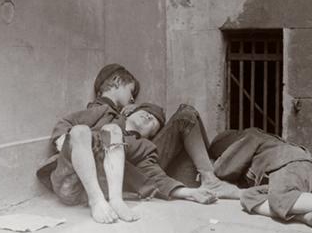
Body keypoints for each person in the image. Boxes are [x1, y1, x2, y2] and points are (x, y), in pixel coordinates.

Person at [36, 64, 217, 224]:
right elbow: (66, 124)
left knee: (112, 131)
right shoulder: (103, 111)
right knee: (81, 131)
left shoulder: (141, 145)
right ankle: (96, 201)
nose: (132, 100)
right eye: (131, 93)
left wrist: (188, 193)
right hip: (72, 178)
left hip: (102, 180)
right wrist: (64, 142)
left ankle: (115, 200)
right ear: (116, 82)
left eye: (153, 125)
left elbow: (154, 177)